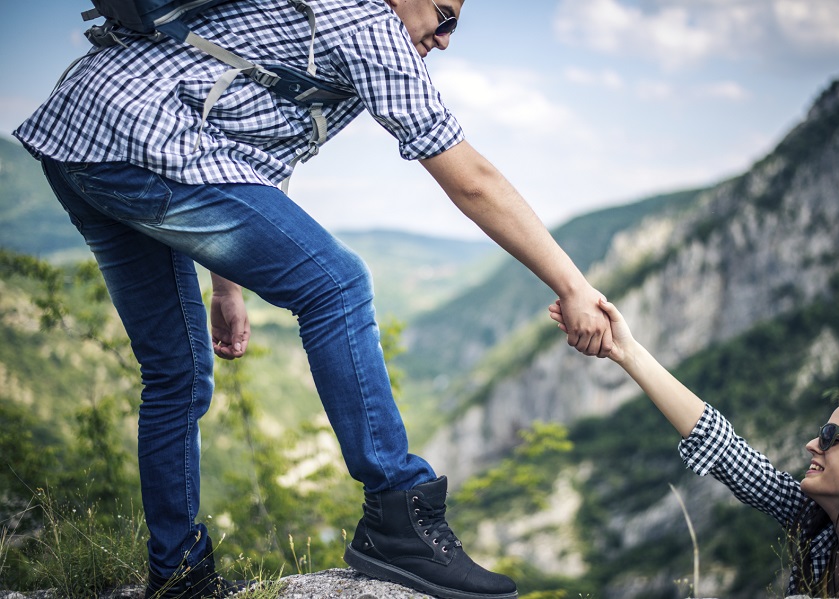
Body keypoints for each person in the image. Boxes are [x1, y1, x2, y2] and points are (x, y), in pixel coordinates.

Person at [14, 1, 613, 598]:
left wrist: (226, 286)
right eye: (444, 14)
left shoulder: (322, 17)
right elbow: (471, 179)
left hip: (83, 136)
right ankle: (397, 517)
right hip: (138, 139)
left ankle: (178, 576)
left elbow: (242, 144)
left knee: (175, 372)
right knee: (338, 284)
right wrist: (573, 286)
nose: (446, 39)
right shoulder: (367, 22)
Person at [549, 297, 839, 598]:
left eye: (829, 436)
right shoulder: (815, 525)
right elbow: (724, 448)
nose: (811, 444)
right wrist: (626, 351)